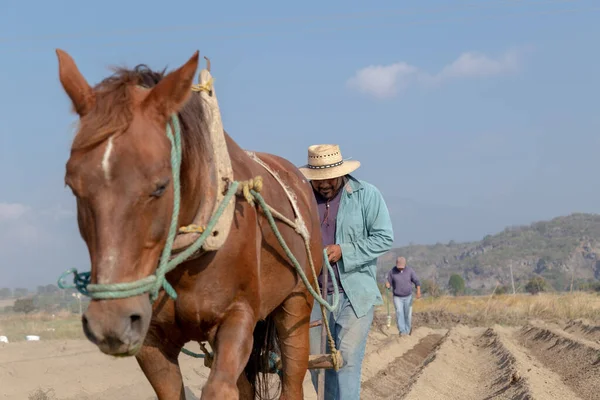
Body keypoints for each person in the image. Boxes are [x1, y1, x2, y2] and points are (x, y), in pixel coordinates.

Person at [298, 144, 394, 400]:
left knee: (347, 359)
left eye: (329, 178)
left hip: (353, 295)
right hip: (313, 297)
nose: (324, 185)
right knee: (318, 365)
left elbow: (384, 238)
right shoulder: (302, 199)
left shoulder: (366, 195)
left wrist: (344, 250)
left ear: (341, 172)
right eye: (318, 180)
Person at [385, 256, 421, 336]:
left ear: (405, 265)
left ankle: (408, 330)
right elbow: (389, 283)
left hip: (408, 296)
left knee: (407, 314)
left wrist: (418, 291)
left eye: (402, 267)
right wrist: (387, 284)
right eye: (399, 267)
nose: (400, 269)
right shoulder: (392, 271)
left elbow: (416, 281)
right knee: (399, 312)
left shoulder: (410, 271)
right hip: (397, 297)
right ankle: (402, 331)